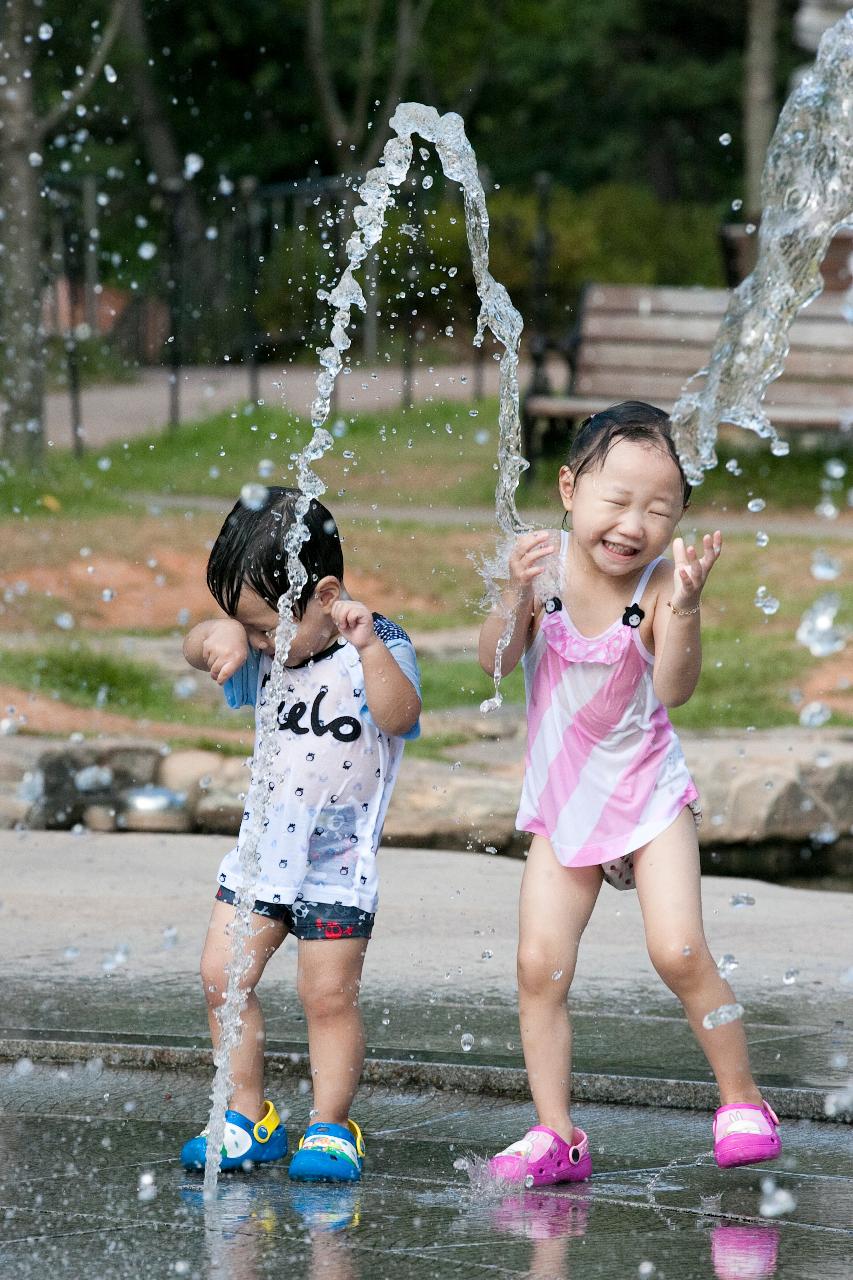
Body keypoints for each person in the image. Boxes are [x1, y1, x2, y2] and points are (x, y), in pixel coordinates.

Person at [478, 402, 781, 1187]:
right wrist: (510, 596)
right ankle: (556, 1134)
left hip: (648, 799)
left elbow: (674, 689)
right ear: (570, 488)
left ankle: (742, 1099)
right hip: (564, 802)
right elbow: (492, 662)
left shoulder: (655, 587)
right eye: (616, 500)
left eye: (658, 509)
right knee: (537, 966)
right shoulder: (539, 571)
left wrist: (682, 608)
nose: (632, 524)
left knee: (678, 951)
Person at [179, 487, 421, 1181]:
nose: (259, 645)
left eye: (262, 628)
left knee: (327, 997)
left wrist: (370, 645)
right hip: (261, 858)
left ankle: (329, 1125)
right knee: (221, 978)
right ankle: (247, 1116)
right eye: (247, 629)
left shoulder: (375, 645)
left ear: (326, 596)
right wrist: (215, 634)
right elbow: (192, 646)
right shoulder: (265, 647)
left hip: (336, 868)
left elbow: (399, 715)